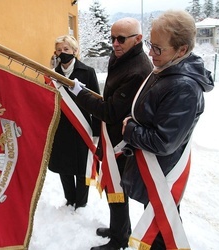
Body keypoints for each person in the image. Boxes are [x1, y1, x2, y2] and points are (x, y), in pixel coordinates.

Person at [120, 10, 214, 249]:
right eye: (151, 45)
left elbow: (164, 142)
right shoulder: (168, 68)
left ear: (181, 50)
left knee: (160, 234)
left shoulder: (183, 87)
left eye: (158, 48)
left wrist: (130, 129)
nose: (151, 53)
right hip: (152, 171)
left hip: (160, 174)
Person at [69, 18, 153, 250]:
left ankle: (119, 240)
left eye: (121, 39)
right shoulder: (122, 57)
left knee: (116, 188)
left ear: (138, 39)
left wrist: (80, 93)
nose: (115, 43)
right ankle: (119, 230)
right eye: (112, 38)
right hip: (113, 138)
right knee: (113, 188)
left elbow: (110, 111)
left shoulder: (138, 69)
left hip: (122, 142)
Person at [48, 35, 101, 210]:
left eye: (66, 50)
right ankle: (69, 199)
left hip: (82, 126)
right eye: (59, 50)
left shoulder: (87, 72)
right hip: (61, 128)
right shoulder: (53, 75)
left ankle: (81, 201)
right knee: (64, 165)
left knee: (81, 165)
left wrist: (96, 131)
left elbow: (97, 104)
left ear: (75, 51)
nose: (62, 53)